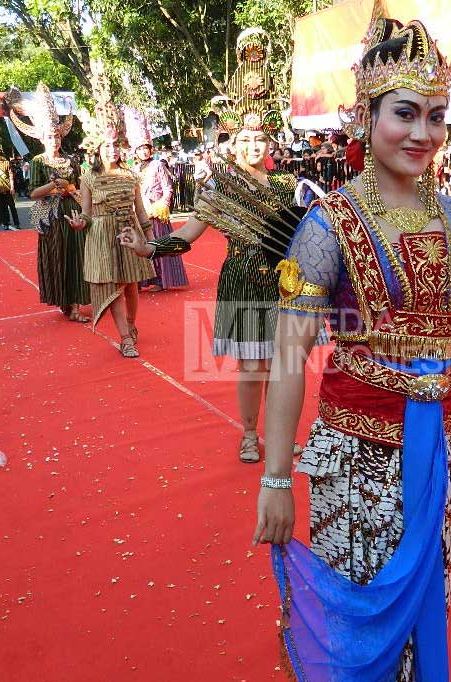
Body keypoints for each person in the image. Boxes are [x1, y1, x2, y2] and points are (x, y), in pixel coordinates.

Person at [251, 10, 451, 680]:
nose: (422, 133)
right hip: (356, 455)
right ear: (365, 116)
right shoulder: (327, 226)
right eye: (405, 113)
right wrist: (277, 479)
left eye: (435, 117)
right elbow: (288, 357)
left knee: (429, 599)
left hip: (441, 448)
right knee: (361, 615)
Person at [121, 28, 310, 463]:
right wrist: (149, 249)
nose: (253, 145)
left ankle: (280, 435)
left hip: (285, 283)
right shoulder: (221, 187)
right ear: (233, 144)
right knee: (253, 366)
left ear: (270, 143)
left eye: (260, 138)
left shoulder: (288, 185)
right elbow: (189, 234)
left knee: (284, 365)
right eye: (245, 139)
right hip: (242, 279)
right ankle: (250, 434)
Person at [66, 128, 156, 357]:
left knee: (132, 285)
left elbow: (141, 210)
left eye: (116, 145)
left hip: (129, 231)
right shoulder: (88, 178)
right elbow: (86, 214)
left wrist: (152, 241)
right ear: (97, 149)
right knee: (114, 288)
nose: (112, 149)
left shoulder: (131, 175)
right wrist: (80, 223)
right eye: (107, 145)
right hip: (102, 236)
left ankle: (131, 325)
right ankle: (125, 339)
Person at [12, 82, 91, 323]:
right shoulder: (38, 161)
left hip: (72, 211)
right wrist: (54, 185)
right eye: (49, 136)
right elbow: (34, 193)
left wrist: (71, 190)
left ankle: (76, 305)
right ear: (42, 138)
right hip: (51, 216)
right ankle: (64, 301)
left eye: (57, 136)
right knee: (57, 258)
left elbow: (79, 186)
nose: (54, 140)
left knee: (77, 256)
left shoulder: (72, 160)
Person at [128, 130, 188, 293]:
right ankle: (142, 280)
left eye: (146, 148)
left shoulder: (158, 165)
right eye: (140, 149)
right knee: (141, 245)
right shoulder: (134, 169)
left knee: (158, 244)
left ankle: (162, 280)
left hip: (156, 211)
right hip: (140, 211)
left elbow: (168, 188)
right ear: (136, 152)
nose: (143, 151)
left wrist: (162, 205)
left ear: (151, 149)